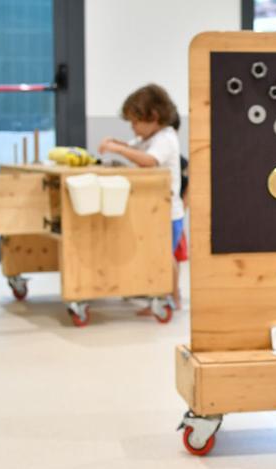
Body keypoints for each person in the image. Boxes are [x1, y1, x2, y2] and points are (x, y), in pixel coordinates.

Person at [98, 83, 184, 312]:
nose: (133, 128)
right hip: (154, 210)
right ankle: (159, 296)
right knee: (154, 254)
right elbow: (132, 145)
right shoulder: (149, 137)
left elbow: (149, 160)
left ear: (153, 117)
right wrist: (115, 143)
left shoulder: (165, 138)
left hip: (169, 212)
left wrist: (117, 150)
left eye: (136, 122)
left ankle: (172, 297)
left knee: (164, 256)